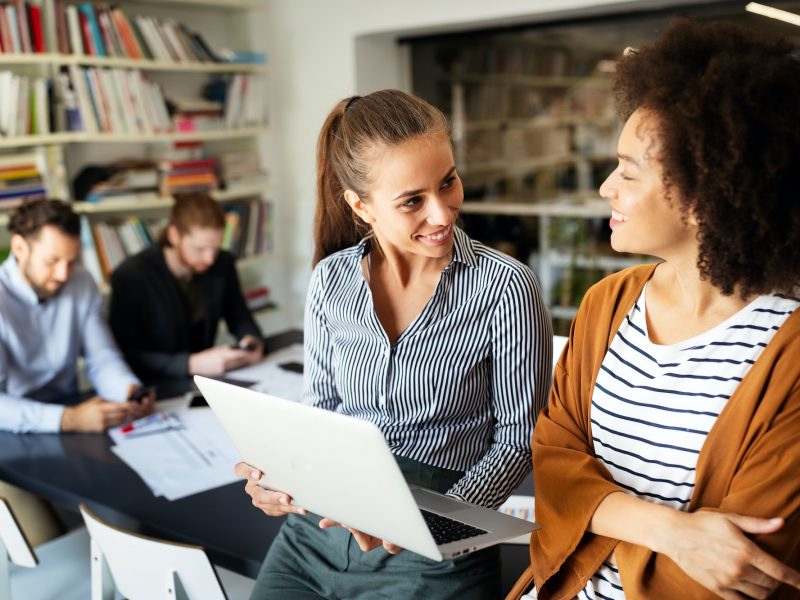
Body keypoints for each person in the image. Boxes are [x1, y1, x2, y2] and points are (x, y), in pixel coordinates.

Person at [508, 19, 800, 600]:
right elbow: (554, 460)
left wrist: (596, 512)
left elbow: (740, 572)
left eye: (629, 171)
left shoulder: (790, 357)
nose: (606, 188)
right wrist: (674, 530)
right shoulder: (607, 304)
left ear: (705, 194)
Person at [234, 89, 552, 599]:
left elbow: (519, 439)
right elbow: (322, 412)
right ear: (361, 207)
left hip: (437, 540)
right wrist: (278, 475)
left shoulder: (504, 285)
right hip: (316, 534)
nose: (443, 213)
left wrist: (423, 524)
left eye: (448, 182)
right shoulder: (331, 280)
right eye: (412, 201)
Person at [0, 198, 153, 434]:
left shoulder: (81, 282)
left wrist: (128, 390)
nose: (63, 274)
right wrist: (68, 419)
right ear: (19, 248)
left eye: (71, 262)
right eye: (52, 261)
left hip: (72, 408)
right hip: (16, 425)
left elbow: (102, 357)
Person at [109, 192, 263, 384]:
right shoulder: (131, 275)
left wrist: (250, 340)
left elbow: (239, 316)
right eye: (200, 249)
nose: (210, 259)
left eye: (215, 248)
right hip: (155, 385)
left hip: (205, 381)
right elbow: (124, 354)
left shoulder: (222, 264)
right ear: (174, 235)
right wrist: (189, 364)